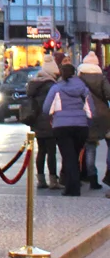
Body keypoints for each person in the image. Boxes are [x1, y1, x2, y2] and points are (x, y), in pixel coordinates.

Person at [42, 62, 93, 197]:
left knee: (68, 156)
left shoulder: (56, 88)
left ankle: (73, 188)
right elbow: (91, 109)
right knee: (74, 156)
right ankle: (71, 186)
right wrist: (87, 123)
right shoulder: (83, 88)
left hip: (61, 126)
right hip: (81, 126)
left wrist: (55, 115)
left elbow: (46, 108)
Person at [25, 52, 61, 189]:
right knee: (51, 151)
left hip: (36, 121)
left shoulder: (33, 83)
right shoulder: (51, 86)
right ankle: (53, 179)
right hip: (49, 121)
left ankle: (41, 179)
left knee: (41, 150)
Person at [77, 49, 110, 191]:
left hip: (86, 113)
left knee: (90, 148)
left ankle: (92, 178)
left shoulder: (79, 78)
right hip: (103, 115)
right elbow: (108, 94)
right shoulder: (100, 78)